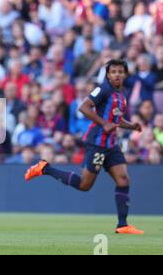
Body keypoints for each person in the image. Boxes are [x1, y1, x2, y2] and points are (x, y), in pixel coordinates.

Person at [24, 59, 144, 235]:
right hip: (96, 142)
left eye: (120, 71)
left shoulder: (121, 94)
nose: (117, 75)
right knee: (84, 185)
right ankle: (45, 168)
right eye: (114, 72)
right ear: (108, 75)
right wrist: (103, 123)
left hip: (111, 145)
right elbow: (84, 107)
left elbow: (115, 120)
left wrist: (131, 126)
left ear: (125, 74)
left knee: (123, 180)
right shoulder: (103, 89)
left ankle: (122, 224)